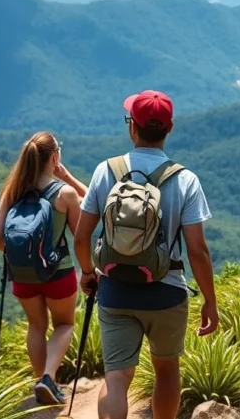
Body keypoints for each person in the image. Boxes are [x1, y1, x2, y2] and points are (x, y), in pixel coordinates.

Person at [74, 90, 219, 419]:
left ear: (132, 127)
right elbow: (197, 249)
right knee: (166, 369)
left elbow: (82, 236)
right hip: (166, 291)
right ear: (170, 129)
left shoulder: (104, 171)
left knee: (116, 376)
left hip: (115, 288)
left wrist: (87, 273)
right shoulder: (185, 180)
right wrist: (210, 301)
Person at [0, 131, 89, 405]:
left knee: (36, 325)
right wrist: (89, 271)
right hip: (59, 273)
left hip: (22, 275)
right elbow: (82, 233)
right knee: (65, 324)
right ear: (55, 156)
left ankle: (41, 383)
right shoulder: (65, 194)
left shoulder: (13, 191)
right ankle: (48, 378)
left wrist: (27, 257)